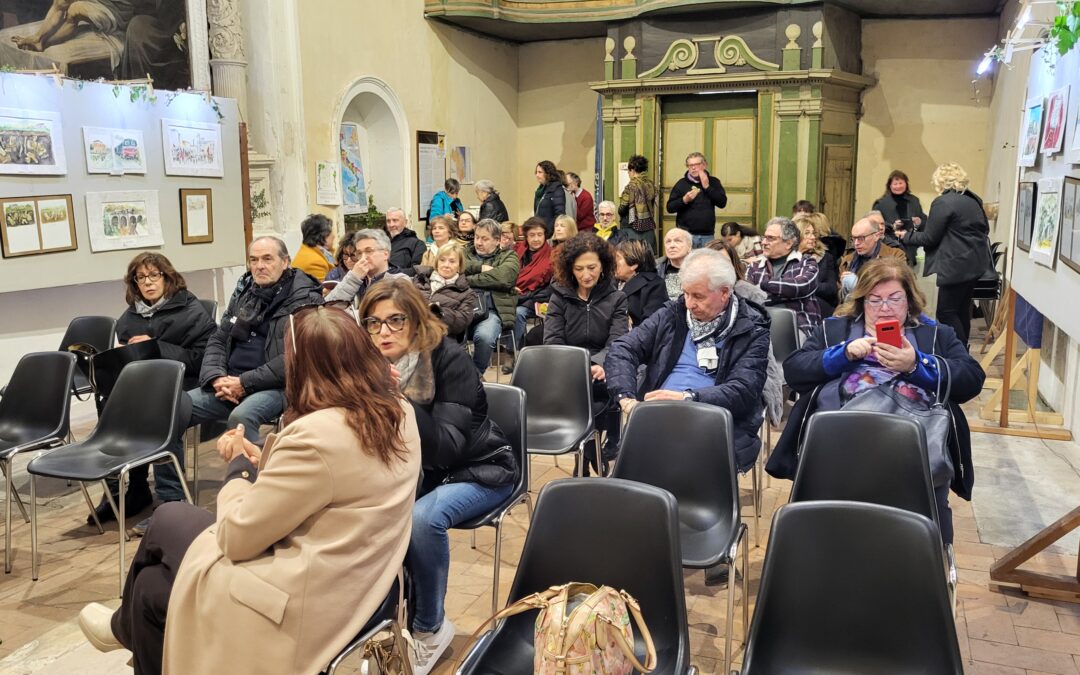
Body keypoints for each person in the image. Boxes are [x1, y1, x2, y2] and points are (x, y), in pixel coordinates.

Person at [77, 303, 422, 675]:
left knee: (164, 529)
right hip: (356, 575)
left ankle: (122, 627)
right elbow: (337, 484)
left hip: (302, 596)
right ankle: (124, 626)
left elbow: (237, 537)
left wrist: (238, 468)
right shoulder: (398, 410)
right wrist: (268, 462)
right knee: (153, 577)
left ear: (302, 366)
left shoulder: (318, 434)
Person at [358, 280, 519, 674]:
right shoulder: (370, 363)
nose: (384, 332)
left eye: (395, 320)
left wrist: (401, 401)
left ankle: (430, 628)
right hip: (418, 472)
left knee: (421, 519)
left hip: (481, 469)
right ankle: (381, 624)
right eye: (373, 323)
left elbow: (447, 445)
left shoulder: (448, 359)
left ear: (414, 319)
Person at [766, 258, 985, 544]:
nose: (885, 308)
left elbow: (971, 379)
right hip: (841, 446)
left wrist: (916, 365)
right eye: (874, 300)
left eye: (895, 298)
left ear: (910, 300)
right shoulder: (836, 331)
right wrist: (842, 355)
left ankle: (922, 556)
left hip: (914, 450)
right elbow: (794, 371)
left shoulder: (935, 335)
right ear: (861, 301)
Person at [605, 247, 770, 477]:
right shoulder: (674, 312)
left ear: (724, 292)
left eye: (698, 296)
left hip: (715, 421)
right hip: (660, 415)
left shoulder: (752, 329)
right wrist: (626, 398)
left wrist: (688, 398)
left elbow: (743, 390)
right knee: (633, 473)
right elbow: (623, 349)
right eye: (686, 293)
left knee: (674, 468)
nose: (689, 304)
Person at [89, 253, 217, 524]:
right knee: (109, 403)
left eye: (153, 276)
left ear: (167, 277)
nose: (147, 283)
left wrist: (155, 346)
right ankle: (127, 489)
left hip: (181, 382)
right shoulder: (129, 317)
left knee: (157, 411)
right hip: (145, 384)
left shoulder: (191, 311)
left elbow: (203, 357)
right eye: (141, 277)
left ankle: (171, 499)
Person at [544, 234, 628, 474]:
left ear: (603, 266)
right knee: (583, 392)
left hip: (603, 366)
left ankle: (586, 453)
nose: (586, 274)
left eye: (592, 267)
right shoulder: (559, 297)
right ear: (570, 269)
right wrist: (581, 366)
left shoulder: (617, 299)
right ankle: (593, 450)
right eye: (579, 269)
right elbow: (553, 341)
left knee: (602, 389)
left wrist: (598, 363)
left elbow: (618, 341)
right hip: (568, 368)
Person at [898, 163, 990, 348]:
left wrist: (905, 236)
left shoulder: (943, 202)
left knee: (946, 312)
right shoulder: (973, 200)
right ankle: (962, 351)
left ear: (940, 181)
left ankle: (956, 350)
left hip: (955, 265)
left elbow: (930, 238)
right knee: (962, 309)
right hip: (975, 263)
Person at [706, 240, 785, 428]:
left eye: (724, 264)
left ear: (734, 267)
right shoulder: (690, 301)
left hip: (739, 369)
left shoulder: (749, 301)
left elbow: (759, 356)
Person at [745, 217, 822, 335]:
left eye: (770, 238)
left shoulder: (807, 263)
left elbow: (801, 287)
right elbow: (746, 296)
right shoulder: (754, 267)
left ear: (788, 243)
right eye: (764, 237)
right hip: (760, 326)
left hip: (799, 326)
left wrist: (763, 287)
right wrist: (786, 293)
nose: (764, 242)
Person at [464, 219, 520, 374]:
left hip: (491, 311)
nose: (479, 242)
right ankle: (459, 375)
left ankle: (475, 375)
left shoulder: (509, 256)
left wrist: (467, 280)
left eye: (485, 238)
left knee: (484, 337)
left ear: (497, 240)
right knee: (440, 334)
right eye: (477, 237)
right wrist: (480, 267)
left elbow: (503, 278)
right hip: (461, 309)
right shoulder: (464, 253)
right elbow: (453, 269)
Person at [412, 244, 477, 341]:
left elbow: (462, 321)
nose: (446, 265)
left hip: (440, 337)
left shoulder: (467, 293)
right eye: (442, 260)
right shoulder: (419, 279)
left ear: (459, 266)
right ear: (437, 262)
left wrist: (439, 311)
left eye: (452, 261)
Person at [326, 229, 407, 304]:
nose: (363, 257)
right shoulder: (357, 279)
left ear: (386, 254)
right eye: (359, 253)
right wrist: (353, 278)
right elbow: (329, 307)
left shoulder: (400, 281)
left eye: (369, 251)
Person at [666, 152, 728, 248]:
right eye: (690, 165)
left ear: (704, 165)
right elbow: (669, 208)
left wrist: (707, 187)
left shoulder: (714, 182)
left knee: (707, 263)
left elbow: (722, 203)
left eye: (696, 164)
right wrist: (684, 200)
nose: (693, 168)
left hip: (707, 235)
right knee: (687, 263)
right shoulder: (681, 184)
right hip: (686, 235)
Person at [512, 217, 554, 351]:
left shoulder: (552, 256)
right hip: (511, 294)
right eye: (532, 235)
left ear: (545, 235)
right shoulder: (517, 250)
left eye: (540, 235)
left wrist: (526, 296)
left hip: (537, 300)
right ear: (526, 236)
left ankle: (515, 352)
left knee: (518, 313)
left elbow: (550, 288)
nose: (536, 239)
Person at [839, 216, 908, 297]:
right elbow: (838, 298)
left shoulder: (895, 256)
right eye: (854, 238)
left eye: (861, 238)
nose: (856, 243)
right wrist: (843, 286)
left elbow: (899, 287)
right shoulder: (848, 260)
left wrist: (857, 284)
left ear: (876, 236)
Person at [873, 170, 926, 266]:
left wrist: (919, 222)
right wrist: (892, 226)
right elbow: (874, 225)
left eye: (900, 183)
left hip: (910, 248)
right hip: (889, 248)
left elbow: (924, 222)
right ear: (889, 185)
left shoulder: (914, 201)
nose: (898, 186)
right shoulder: (881, 204)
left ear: (906, 183)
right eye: (895, 184)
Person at [615, 239, 667, 327]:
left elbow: (651, 326)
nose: (613, 261)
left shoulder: (654, 285)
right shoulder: (610, 282)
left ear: (633, 265)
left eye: (617, 257)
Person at [795, 215, 839, 315]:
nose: (813, 237)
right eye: (807, 233)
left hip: (821, 307)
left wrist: (805, 285)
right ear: (797, 236)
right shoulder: (788, 258)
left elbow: (831, 289)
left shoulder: (825, 257)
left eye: (813, 233)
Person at [617, 154, 660, 253]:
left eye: (628, 171)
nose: (628, 173)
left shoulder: (631, 186)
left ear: (632, 170)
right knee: (648, 258)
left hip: (632, 229)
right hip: (648, 227)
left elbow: (622, 209)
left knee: (633, 257)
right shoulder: (651, 184)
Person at [291, 214, 336, 281]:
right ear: (322, 235)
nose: (334, 236)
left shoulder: (311, 251)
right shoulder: (315, 262)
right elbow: (326, 289)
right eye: (330, 233)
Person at [385, 208, 426, 274]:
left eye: (395, 220)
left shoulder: (417, 244)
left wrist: (392, 272)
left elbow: (416, 270)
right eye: (388, 221)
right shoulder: (382, 242)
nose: (391, 225)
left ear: (405, 222)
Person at [533, 160, 566, 237]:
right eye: (536, 172)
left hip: (549, 233)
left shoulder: (556, 189)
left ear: (548, 173)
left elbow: (559, 214)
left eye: (540, 172)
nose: (537, 175)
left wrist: (548, 231)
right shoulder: (540, 190)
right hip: (540, 231)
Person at [658, 227, 692, 301]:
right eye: (668, 242)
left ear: (689, 247)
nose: (672, 245)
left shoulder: (699, 268)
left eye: (677, 241)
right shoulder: (656, 268)